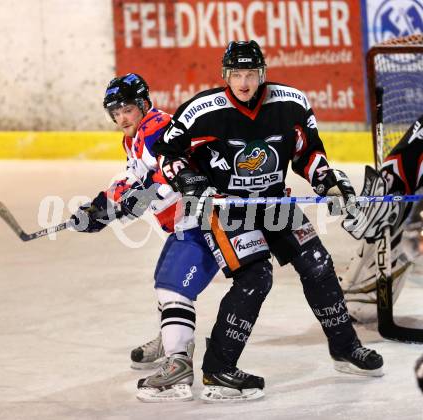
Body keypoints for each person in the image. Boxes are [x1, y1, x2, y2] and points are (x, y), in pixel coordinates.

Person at [153, 40, 384, 402]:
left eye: (251, 74)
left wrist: (328, 183)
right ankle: (218, 370)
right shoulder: (202, 111)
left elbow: (308, 152)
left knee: (318, 264)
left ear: (263, 74)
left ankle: (345, 348)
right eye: (236, 75)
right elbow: (167, 153)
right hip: (228, 209)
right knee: (256, 277)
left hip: (275, 201)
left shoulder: (289, 103)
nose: (244, 83)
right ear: (225, 75)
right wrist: (188, 180)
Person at [70, 73, 219, 402]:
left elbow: (160, 185)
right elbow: (132, 180)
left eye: (126, 109)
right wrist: (99, 207)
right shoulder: (133, 137)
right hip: (184, 221)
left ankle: (178, 361)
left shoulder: (156, 129)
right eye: (115, 112)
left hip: (204, 219)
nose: (121, 118)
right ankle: (171, 339)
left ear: (141, 105)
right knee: (162, 278)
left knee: (172, 286)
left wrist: (112, 211)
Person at [340, 114, 423, 323]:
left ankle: (355, 293)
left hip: (402, 187)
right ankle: (355, 293)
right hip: (401, 195)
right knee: (386, 221)